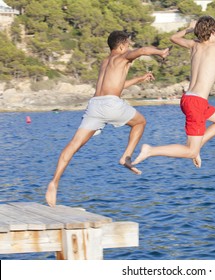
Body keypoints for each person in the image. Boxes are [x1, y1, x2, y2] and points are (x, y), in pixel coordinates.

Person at [45, 30, 170, 207]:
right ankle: (126, 157)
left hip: (95, 105)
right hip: (111, 104)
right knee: (140, 122)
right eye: (127, 45)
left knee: (73, 145)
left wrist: (139, 79)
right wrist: (160, 52)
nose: (129, 48)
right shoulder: (124, 57)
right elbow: (142, 51)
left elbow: (115, 86)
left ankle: (54, 182)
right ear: (121, 46)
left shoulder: (105, 63)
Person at [132, 16, 215, 169]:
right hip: (197, 103)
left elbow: (174, 37)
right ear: (213, 31)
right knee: (190, 152)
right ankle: (151, 150)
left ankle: (197, 147)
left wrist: (189, 29)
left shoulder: (193, 45)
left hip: (189, 99)